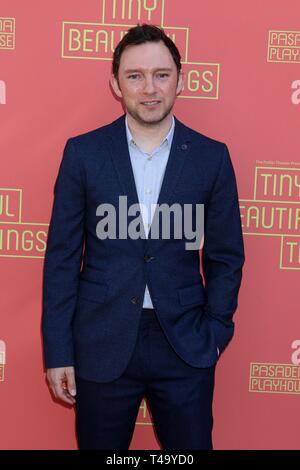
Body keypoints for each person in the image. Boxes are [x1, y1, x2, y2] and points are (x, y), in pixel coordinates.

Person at [42, 23, 245, 450]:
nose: (149, 88)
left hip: (185, 343)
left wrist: (215, 329)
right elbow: (61, 258)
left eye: (161, 74)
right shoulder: (83, 154)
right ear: (115, 83)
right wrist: (59, 351)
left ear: (180, 79)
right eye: (135, 75)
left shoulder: (212, 156)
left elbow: (226, 256)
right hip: (101, 341)